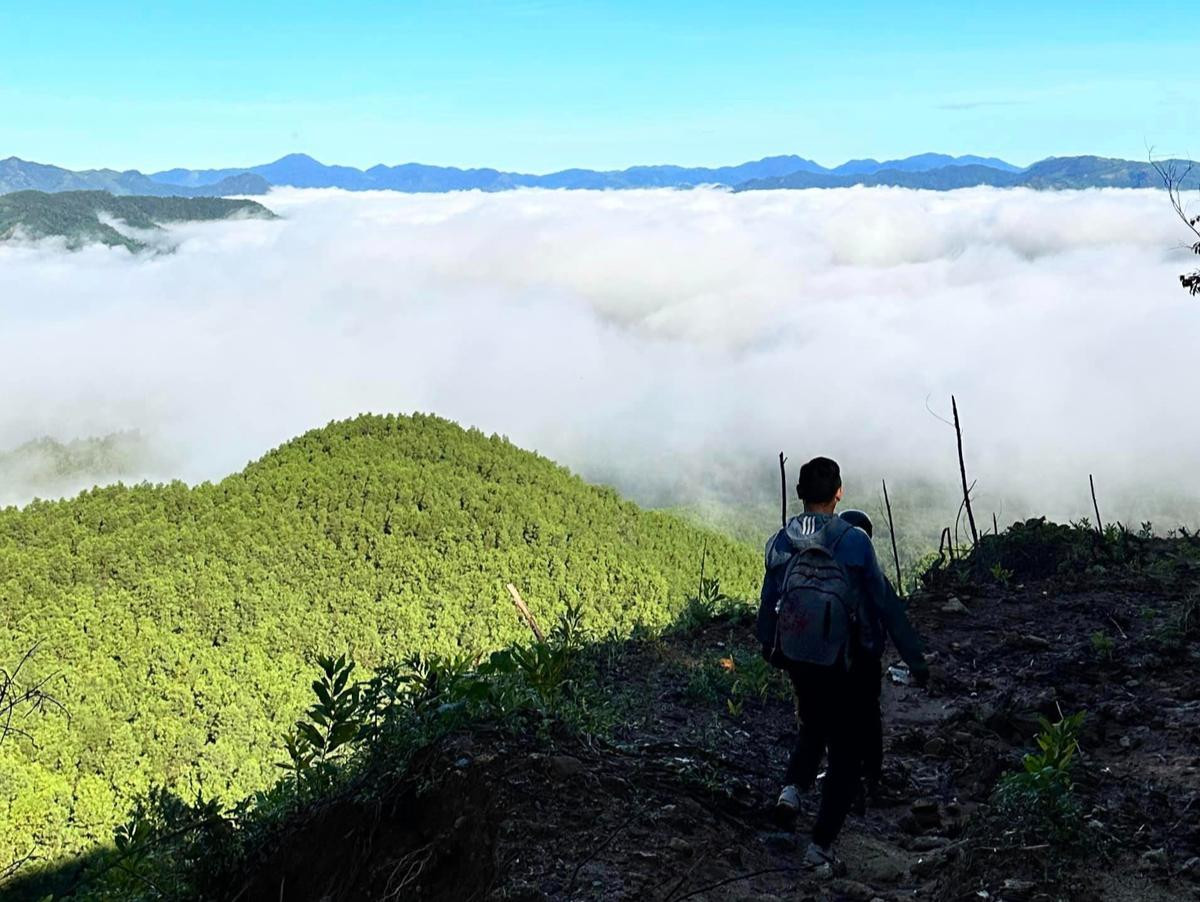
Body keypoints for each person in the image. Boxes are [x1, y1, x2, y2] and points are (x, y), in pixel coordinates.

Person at [756, 457, 929, 870]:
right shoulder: (854, 541)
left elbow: (768, 605)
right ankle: (821, 848)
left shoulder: (781, 541)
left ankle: (791, 794)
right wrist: (915, 660)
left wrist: (770, 648)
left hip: (797, 654)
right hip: (844, 660)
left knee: (813, 722)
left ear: (799, 493)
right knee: (847, 752)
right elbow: (884, 604)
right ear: (839, 493)